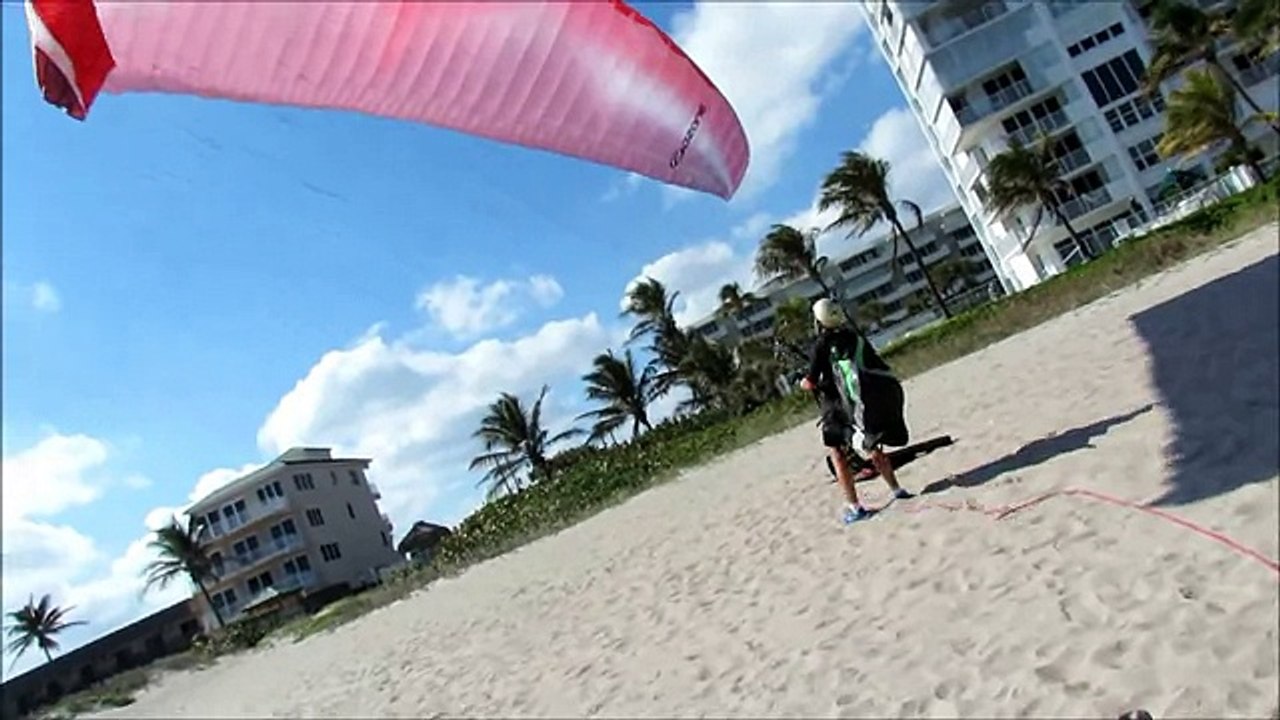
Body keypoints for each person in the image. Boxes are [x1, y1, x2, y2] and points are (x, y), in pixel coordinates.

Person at [801, 298, 913, 524]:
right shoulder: (855, 337)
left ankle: (854, 506)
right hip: (859, 402)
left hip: (836, 406)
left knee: (839, 455)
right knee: (872, 444)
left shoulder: (821, 344)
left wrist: (804, 383)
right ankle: (896, 489)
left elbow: (811, 381)